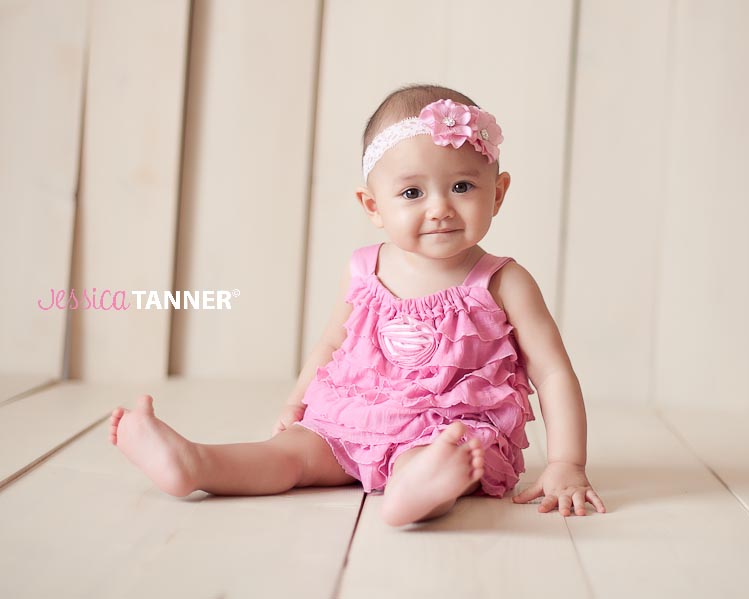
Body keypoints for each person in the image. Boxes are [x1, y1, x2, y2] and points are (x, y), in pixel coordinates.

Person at [109, 83, 606, 527]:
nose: (440, 207)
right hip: (351, 418)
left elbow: (554, 373)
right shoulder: (366, 270)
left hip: (449, 429)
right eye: (412, 192)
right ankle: (194, 463)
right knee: (290, 457)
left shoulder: (503, 281)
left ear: (497, 193)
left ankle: (418, 490)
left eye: (462, 186)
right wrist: (296, 403)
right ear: (374, 207)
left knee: (440, 457)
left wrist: (567, 463)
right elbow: (332, 344)